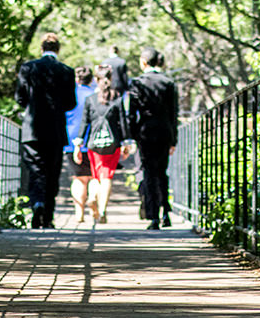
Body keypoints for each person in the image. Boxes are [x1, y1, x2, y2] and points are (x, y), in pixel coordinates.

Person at [15, 32, 76, 228]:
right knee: (52, 172)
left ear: (41, 49)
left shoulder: (28, 68)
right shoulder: (66, 71)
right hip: (56, 130)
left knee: (35, 169)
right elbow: (70, 103)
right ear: (58, 49)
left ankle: (36, 203)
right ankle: (48, 216)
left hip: (32, 130)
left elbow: (20, 98)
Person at [126, 47, 178, 230]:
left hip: (145, 132)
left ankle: (153, 215)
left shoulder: (138, 83)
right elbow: (174, 113)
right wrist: (174, 140)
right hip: (164, 131)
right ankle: (166, 213)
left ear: (144, 62)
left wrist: (132, 135)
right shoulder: (168, 83)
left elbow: (131, 112)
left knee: (148, 172)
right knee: (162, 172)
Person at [72, 65, 131, 224]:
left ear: (96, 80)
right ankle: (103, 210)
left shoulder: (90, 100)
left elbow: (85, 123)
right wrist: (126, 142)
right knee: (107, 177)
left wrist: (78, 144)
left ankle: (92, 198)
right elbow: (123, 122)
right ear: (110, 79)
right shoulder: (117, 98)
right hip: (112, 144)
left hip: (93, 144)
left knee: (96, 176)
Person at [65, 66, 98, 223]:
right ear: (91, 79)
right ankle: (92, 198)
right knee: (93, 177)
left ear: (76, 79)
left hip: (71, 140)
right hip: (93, 141)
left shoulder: (70, 95)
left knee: (79, 178)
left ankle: (79, 214)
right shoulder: (96, 95)